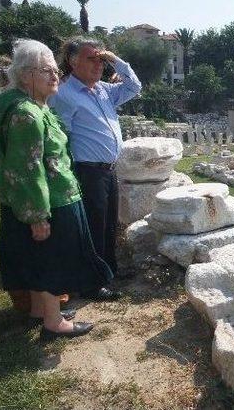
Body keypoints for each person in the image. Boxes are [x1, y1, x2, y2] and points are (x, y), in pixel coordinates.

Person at [0, 39, 114, 338]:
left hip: (32, 199)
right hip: (48, 200)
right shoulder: (28, 114)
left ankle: (40, 310)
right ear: (25, 75)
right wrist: (38, 216)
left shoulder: (24, 106)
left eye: (54, 69)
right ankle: (54, 322)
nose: (54, 75)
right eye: (45, 70)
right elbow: (28, 168)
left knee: (36, 259)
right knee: (51, 261)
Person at [49, 37, 142, 301]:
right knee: (94, 225)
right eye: (92, 58)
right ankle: (91, 283)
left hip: (109, 170)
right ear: (72, 61)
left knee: (108, 223)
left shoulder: (103, 90)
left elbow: (134, 86)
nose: (98, 65)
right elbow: (62, 136)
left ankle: (108, 272)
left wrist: (116, 61)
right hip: (87, 170)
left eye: (101, 60)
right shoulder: (65, 95)